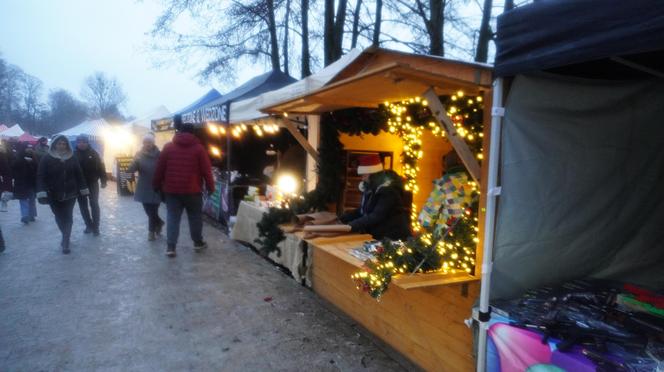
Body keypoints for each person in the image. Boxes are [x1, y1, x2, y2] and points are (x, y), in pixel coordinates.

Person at [153, 115, 214, 257]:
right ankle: (198, 243)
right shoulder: (199, 149)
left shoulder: (168, 148)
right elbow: (206, 170)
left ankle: (171, 247)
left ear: (179, 131)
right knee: (195, 217)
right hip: (193, 191)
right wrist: (211, 187)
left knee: (173, 217)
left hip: (172, 191)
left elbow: (159, 169)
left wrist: (156, 185)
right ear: (193, 133)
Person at [37, 135, 89, 254]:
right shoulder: (47, 158)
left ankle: (66, 241)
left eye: (64, 144)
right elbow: (40, 176)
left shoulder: (72, 157)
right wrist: (41, 191)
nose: (61, 146)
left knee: (68, 217)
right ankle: (64, 234)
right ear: (54, 144)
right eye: (59, 143)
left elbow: (79, 174)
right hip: (53, 193)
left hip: (71, 192)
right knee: (59, 217)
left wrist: (83, 188)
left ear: (67, 145)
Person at [340, 154, 411, 240]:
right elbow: (362, 211)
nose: (362, 179)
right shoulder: (371, 189)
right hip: (380, 236)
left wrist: (351, 226)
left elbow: (376, 216)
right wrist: (342, 220)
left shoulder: (388, 191)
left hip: (392, 238)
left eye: (364, 175)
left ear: (373, 175)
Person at [127, 133, 164, 241]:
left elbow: (164, 168)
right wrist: (134, 161)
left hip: (156, 186)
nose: (147, 144)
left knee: (153, 211)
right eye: (145, 142)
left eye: (150, 142)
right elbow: (131, 170)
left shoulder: (160, 154)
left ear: (153, 143)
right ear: (143, 143)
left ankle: (151, 232)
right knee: (148, 211)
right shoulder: (139, 154)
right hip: (144, 187)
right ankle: (159, 223)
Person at [74, 134, 107, 236]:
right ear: (77, 143)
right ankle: (88, 225)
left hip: (92, 183)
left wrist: (103, 180)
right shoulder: (73, 154)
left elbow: (101, 167)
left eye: (84, 142)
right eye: (79, 142)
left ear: (87, 143)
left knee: (94, 204)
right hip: (79, 185)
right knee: (83, 206)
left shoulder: (94, 153)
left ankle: (96, 227)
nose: (82, 144)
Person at [11, 144, 38, 224]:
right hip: (27, 182)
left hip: (25, 182)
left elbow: (13, 167)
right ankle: (29, 215)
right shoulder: (21, 157)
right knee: (29, 199)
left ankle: (27, 215)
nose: (29, 149)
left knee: (25, 200)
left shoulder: (18, 157)